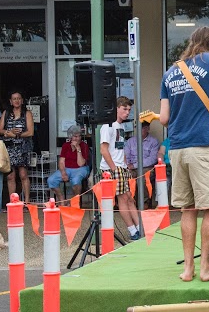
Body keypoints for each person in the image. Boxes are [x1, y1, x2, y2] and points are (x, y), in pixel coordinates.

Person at [159, 26, 209, 283]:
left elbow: (165, 118)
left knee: (187, 210)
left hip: (177, 148)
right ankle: (206, 267)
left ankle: (188, 269)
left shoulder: (171, 72)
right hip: (202, 145)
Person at [99, 96, 142, 241]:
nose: (127, 112)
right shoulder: (108, 126)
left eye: (129, 109)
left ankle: (139, 227)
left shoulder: (121, 126)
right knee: (122, 198)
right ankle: (132, 231)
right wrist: (113, 168)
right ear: (116, 108)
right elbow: (103, 150)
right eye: (124, 109)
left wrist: (125, 166)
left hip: (121, 166)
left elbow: (120, 148)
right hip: (112, 168)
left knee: (129, 197)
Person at [0, 91, 34, 204]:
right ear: (10, 101)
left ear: (22, 100)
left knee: (23, 175)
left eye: (18, 98)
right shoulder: (6, 113)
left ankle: (27, 201)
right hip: (9, 148)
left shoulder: (27, 113)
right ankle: (13, 202)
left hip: (23, 147)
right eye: (14, 99)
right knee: (10, 176)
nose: (16, 101)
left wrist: (16, 135)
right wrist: (9, 132)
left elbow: (31, 132)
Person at [47, 126, 91, 204]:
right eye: (75, 136)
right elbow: (61, 162)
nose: (78, 138)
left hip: (81, 168)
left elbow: (80, 163)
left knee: (76, 181)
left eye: (79, 136)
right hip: (67, 168)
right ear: (71, 137)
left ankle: (74, 202)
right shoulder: (65, 146)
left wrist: (78, 149)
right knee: (51, 180)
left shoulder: (84, 146)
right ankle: (61, 200)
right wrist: (63, 173)